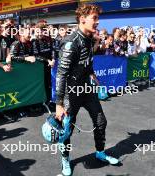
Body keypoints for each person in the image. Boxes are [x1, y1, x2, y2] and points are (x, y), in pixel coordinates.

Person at [55, 4, 119, 176]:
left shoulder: (90, 38)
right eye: (95, 18)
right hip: (71, 94)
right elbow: (61, 74)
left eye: (98, 18)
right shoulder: (70, 42)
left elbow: (88, 64)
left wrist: (95, 80)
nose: (98, 22)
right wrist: (59, 103)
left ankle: (100, 152)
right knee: (67, 130)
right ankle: (65, 160)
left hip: (87, 90)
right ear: (82, 19)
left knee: (101, 122)